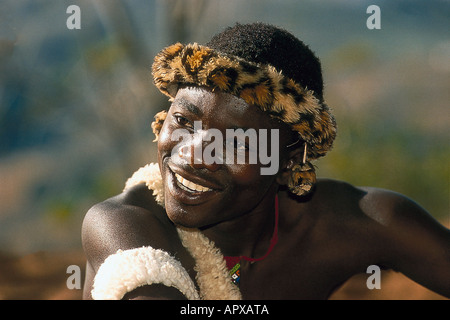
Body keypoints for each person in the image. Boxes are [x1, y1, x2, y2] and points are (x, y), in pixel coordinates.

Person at [81, 22, 450, 300]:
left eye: (238, 143)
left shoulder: (346, 225)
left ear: (288, 162)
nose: (194, 154)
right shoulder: (123, 228)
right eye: (184, 121)